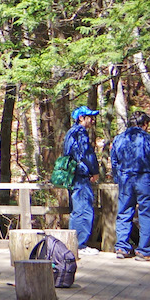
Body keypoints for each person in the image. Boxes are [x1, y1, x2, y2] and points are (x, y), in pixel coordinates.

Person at [62, 106, 102, 255]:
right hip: (80, 176)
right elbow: (86, 154)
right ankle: (80, 245)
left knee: (76, 209)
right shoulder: (80, 132)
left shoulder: (70, 133)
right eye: (89, 117)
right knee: (83, 209)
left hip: (72, 175)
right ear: (81, 118)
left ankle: (75, 243)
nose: (92, 120)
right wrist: (95, 171)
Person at [112, 112, 150, 258]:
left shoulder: (119, 139)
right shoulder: (149, 139)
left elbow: (114, 162)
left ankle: (122, 247)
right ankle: (144, 250)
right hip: (145, 178)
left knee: (124, 212)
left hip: (125, 179)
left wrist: (118, 178)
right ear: (144, 124)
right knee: (146, 214)